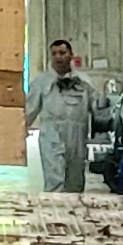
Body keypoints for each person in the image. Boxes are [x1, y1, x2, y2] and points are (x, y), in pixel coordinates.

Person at [26, 38, 100, 195]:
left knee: (75, 181)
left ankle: (74, 209)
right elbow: (29, 110)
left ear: (71, 55)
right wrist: (19, 131)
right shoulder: (41, 82)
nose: (58, 57)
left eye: (62, 53)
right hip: (52, 136)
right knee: (55, 180)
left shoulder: (84, 82)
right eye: (54, 54)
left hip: (77, 136)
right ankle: (52, 209)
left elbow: (98, 109)